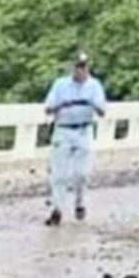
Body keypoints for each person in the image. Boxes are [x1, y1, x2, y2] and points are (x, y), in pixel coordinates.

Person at [43, 53, 108, 226]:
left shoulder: (94, 86)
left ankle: (80, 201)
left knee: (81, 173)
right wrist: (62, 105)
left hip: (83, 130)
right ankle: (57, 209)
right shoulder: (60, 85)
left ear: (88, 68)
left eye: (83, 67)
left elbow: (103, 111)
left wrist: (90, 103)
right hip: (63, 130)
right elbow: (48, 108)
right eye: (77, 67)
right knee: (59, 174)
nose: (80, 70)